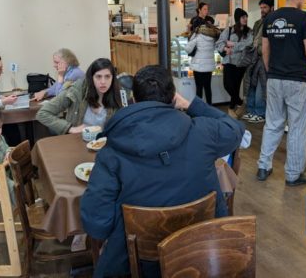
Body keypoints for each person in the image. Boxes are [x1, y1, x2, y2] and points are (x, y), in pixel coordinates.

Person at [80, 65, 243, 278]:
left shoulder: (111, 151)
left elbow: (96, 223)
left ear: (134, 99)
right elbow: (235, 128)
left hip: (138, 265)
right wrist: (191, 105)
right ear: (174, 98)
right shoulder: (203, 131)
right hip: (205, 254)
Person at [258, 0, 306, 186]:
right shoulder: (304, 18)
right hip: (297, 80)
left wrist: (271, 72)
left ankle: (263, 166)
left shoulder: (270, 18)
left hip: (274, 79)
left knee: (273, 123)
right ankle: (293, 174)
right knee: (297, 127)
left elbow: (265, 50)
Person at [36, 58, 122, 135]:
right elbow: (42, 113)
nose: (103, 81)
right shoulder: (77, 90)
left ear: (113, 78)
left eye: (107, 76)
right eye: (98, 77)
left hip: (105, 144)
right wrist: (70, 129)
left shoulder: (119, 94)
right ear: (91, 78)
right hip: (76, 142)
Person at [216, 8, 253, 118]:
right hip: (228, 61)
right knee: (227, 85)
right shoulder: (228, 30)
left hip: (241, 63)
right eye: (243, 17)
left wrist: (232, 44)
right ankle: (241, 102)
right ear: (238, 18)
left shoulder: (249, 31)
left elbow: (248, 45)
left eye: (246, 17)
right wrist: (225, 48)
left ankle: (231, 108)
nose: (245, 19)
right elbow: (219, 43)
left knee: (236, 86)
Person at [242, 0, 273, 123]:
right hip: (254, 57)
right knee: (251, 84)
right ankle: (251, 110)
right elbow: (254, 39)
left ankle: (260, 112)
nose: (262, 10)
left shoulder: (273, 22)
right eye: (261, 8)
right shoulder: (257, 23)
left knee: (261, 85)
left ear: (272, 8)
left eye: (265, 7)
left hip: (264, 57)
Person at [185, 16, 220, 104]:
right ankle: (209, 106)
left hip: (198, 66)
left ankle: (199, 108)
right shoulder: (213, 34)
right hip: (209, 66)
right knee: (207, 87)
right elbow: (215, 47)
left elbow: (188, 49)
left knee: (199, 88)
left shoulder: (197, 34)